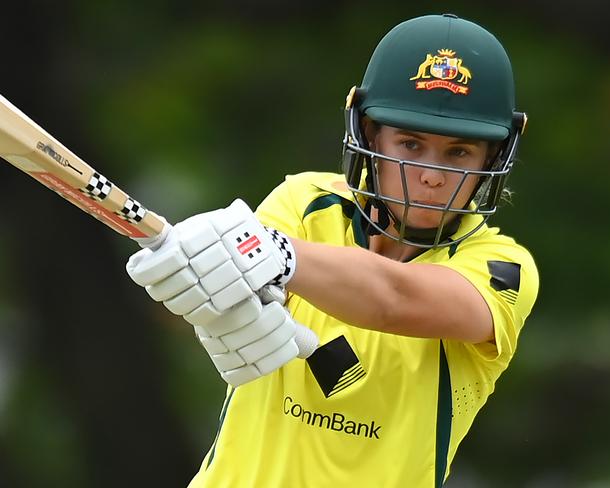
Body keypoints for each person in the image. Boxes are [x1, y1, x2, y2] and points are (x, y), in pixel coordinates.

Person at [126, 13, 539, 488]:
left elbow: (395, 300)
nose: (431, 174)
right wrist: (207, 280)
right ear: (368, 132)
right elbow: (231, 296)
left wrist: (279, 256)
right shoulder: (304, 203)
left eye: (459, 152)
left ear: (495, 156)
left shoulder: (502, 267)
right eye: (410, 143)